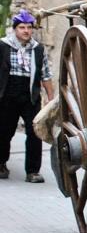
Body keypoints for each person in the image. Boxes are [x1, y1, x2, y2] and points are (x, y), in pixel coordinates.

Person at [1, 10, 54, 183]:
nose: (26, 31)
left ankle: (32, 171)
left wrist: (51, 100)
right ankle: (1, 164)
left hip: (30, 95)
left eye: (29, 27)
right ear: (15, 29)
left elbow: (45, 75)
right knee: (4, 131)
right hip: (7, 94)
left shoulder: (37, 49)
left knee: (35, 132)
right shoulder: (3, 46)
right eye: (22, 27)